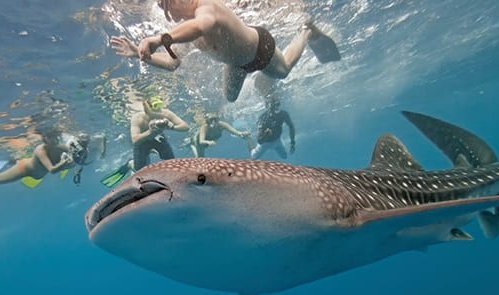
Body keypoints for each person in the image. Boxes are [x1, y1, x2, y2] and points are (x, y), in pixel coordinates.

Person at [110, 0, 340, 102]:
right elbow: (173, 63)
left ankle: (306, 31)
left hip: (260, 47)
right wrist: (143, 56)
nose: (168, 10)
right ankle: (259, 76)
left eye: (170, 3)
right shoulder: (182, 30)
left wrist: (159, 39)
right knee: (230, 97)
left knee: (284, 70)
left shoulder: (206, 6)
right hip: (237, 64)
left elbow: (202, 25)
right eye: (164, 6)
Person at [0, 126, 75, 184]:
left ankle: (13, 161)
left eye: (57, 138)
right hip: (24, 169)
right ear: (45, 139)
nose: (55, 141)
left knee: (22, 159)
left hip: (36, 172)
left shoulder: (58, 145)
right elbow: (52, 170)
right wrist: (64, 162)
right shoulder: (40, 150)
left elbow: (73, 150)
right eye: (52, 139)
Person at [130, 95, 189, 170]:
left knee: (171, 162)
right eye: (154, 111)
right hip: (142, 141)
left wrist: (172, 127)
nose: (158, 114)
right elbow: (135, 140)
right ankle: (130, 163)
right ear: (146, 109)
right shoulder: (138, 118)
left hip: (158, 137)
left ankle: (153, 150)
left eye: (159, 109)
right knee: (139, 169)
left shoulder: (166, 113)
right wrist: (150, 132)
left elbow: (186, 127)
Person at [250, 96, 295, 160]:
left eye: (276, 105)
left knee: (284, 156)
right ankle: (247, 139)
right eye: (272, 106)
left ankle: (275, 147)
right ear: (267, 106)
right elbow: (260, 141)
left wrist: (292, 142)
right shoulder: (262, 118)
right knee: (253, 157)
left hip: (277, 140)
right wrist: (265, 135)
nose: (275, 109)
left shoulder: (283, 114)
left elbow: (291, 126)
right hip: (265, 143)